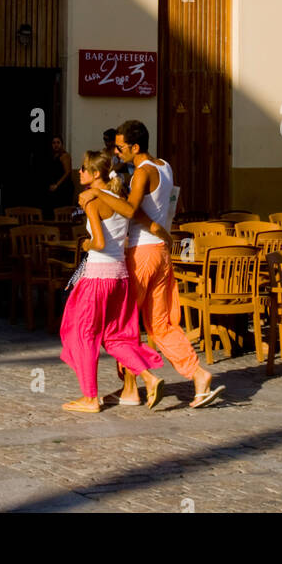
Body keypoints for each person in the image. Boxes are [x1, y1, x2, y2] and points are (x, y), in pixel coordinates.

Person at [83, 120, 223, 410]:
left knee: (124, 323)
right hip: (160, 252)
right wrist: (160, 229)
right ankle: (198, 375)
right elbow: (165, 206)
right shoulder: (164, 166)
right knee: (161, 324)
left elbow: (131, 211)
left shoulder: (143, 172)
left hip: (141, 253)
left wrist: (99, 193)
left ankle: (132, 388)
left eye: (120, 148)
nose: (116, 153)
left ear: (135, 147)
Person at [59, 150, 165, 414]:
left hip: (97, 276)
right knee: (117, 336)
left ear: (96, 174)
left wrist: (85, 243)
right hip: (120, 277)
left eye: (84, 169)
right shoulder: (119, 199)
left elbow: (99, 242)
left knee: (83, 334)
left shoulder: (93, 202)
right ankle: (149, 378)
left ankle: (90, 398)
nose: (79, 172)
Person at [45, 135, 74, 215]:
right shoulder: (54, 156)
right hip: (56, 187)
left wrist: (57, 185)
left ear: (62, 144)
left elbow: (68, 172)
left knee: (62, 211)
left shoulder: (65, 156)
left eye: (58, 142)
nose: (56, 145)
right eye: (54, 143)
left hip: (64, 187)